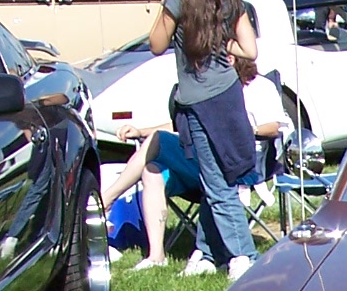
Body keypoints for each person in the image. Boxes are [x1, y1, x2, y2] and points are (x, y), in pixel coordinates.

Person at [102, 51, 285, 270]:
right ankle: (156, 256)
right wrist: (140, 131)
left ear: (231, 60)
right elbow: (182, 127)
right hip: (200, 160)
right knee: (152, 170)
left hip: (240, 161)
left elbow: (273, 127)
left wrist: (239, 130)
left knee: (158, 141)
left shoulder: (260, 87)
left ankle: (106, 200)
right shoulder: (208, 88)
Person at [149, 0, 260, 280]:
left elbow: (156, 44)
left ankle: (242, 255)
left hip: (198, 101)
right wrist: (223, 44)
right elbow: (250, 50)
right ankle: (207, 252)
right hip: (228, 96)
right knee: (220, 175)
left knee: (216, 182)